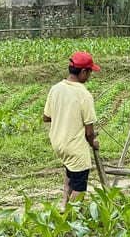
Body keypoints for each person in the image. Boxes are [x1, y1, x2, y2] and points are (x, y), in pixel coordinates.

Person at [43, 51, 101, 209]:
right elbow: (89, 132)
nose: (89, 77)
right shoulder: (84, 94)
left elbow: (46, 117)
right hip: (75, 146)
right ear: (83, 72)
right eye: (89, 72)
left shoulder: (55, 89)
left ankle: (64, 206)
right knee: (80, 187)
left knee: (70, 173)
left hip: (58, 143)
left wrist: (65, 114)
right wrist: (93, 143)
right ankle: (72, 217)